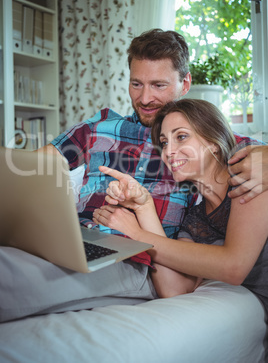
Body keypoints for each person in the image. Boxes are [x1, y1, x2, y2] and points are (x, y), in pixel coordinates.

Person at [0, 29, 268, 322]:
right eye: (136, 84)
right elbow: (25, 169)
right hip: (74, 239)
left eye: (159, 85)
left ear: (185, 83)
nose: (145, 98)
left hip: (135, 259)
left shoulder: (201, 140)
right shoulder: (98, 127)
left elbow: (227, 144)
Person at [92, 99, 268, 316]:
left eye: (181, 137)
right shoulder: (196, 219)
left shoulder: (251, 169)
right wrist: (144, 207)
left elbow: (234, 267)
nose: (169, 152)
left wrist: (136, 234)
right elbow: (174, 289)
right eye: (164, 143)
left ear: (213, 139)